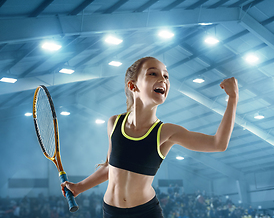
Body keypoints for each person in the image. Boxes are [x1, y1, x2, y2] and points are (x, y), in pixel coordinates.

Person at [60, 56, 239, 218]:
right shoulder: (114, 123)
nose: (163, 79)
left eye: (166, 76)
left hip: (145, 213)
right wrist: (79, 187)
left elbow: (218, 143)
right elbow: (112, 168)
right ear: (133, 86)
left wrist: (233, 98)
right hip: (111, 211)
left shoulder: (167, 132)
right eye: (153, 74)